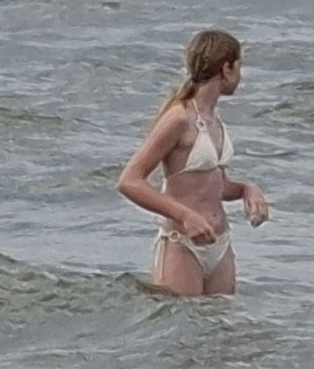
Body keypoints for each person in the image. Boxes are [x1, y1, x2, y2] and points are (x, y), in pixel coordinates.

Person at [114, 29, 269, 297]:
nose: (241, 77)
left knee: (220, 321)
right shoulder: (179, 118)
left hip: (220, 243)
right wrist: (184, 217)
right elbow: (129, 181)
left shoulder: (215, 120)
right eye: (240, 67)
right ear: (227, 68)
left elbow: (212, 186)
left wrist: (247, 189)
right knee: (180, 319)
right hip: (182, 244)